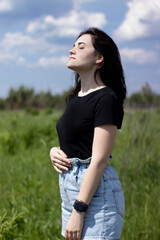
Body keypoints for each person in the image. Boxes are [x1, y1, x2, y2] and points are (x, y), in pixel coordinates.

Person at [50, 27, 127, 240]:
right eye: (73, 45)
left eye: (81, 46)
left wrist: (79, 209)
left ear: (99, 58)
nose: (72, 50)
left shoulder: (106, 99)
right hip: (70, 191)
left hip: (95, 196)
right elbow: (75, 142)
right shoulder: (74, 99)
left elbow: (99, 160)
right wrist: (54, 151)